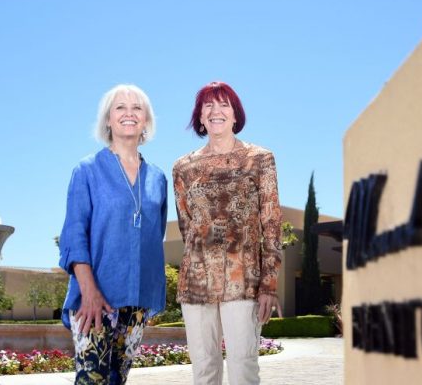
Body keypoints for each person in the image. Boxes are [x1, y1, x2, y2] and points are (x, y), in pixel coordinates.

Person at [173, 81, 283, 385]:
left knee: (243, 367)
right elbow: (187, 226)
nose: (215, 111)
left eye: (223, 104)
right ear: (200, 116)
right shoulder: (183, 167)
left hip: (243, 282)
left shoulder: (260, 159)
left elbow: (271, 223)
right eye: (208, 105)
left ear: (235, 115)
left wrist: (269, 286)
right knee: (204, 368)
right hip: (196, 284)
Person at [58, 84, 168, 385]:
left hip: (137, 299)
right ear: (108, 119)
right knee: (91, 380)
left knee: (118, 380)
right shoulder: (87, 170)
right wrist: (89, 291)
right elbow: (74, 234)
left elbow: (153, 236)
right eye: (120, 107)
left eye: (137, 108)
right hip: (94, 299)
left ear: (146, 120)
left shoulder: (158, 179)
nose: (129, 114)